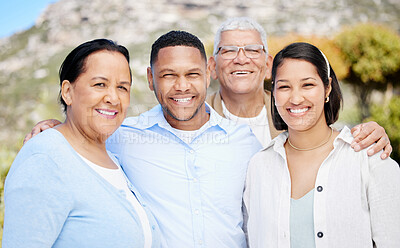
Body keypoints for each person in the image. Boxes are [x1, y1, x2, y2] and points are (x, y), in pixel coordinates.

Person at [23, 31, 261, 247]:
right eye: (168, 75)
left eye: (192, 74)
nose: (182, 86)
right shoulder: (121, 136)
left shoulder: (244, 142)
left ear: (208, 74)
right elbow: (81, 132)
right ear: (150, 78)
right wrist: (55, 127)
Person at [3, 39, 161, 248]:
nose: (113, 98)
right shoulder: (44, 160)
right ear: (67, 92)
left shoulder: (115, 158)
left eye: (122, 87)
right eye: (99, 84)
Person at [243, 42, 400, 247]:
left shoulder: (369, 158)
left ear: (327, 88)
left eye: (307, 85)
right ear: (273, 93)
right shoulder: (259, 166)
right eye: (284, 86)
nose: (296, 98)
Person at [206, 17, 392, 158]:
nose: (241, 59)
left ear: (269, 65)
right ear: (212, 66)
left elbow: (330, 142)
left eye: (253, 50)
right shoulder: (193, 117)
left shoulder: (294, 111)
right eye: (228, 50)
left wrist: (371, 134)